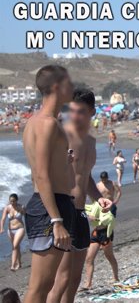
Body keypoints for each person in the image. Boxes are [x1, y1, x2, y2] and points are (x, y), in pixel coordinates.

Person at [48, 88, 113, 303]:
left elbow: (85, 177)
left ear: (92, 112)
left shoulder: (91, 142)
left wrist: (98, 198)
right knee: (62, 277)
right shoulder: (61, 136)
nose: (76, 116)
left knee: (75, 278)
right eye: (73, 110)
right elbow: (42, 174)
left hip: (81, 212)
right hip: (64, 209)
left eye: (82, 111)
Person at [21, 65, 77, 303]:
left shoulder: (38, 122)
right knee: (40, 286)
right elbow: (40, 175)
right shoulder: (47, 123)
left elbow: (48, 170)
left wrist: (65, 162)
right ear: (56, 87)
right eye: (69, 83)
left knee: (45, 285)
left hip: (53, 202)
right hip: (49, 207)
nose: (73, 87)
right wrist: (56, 221)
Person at [81, 202, 118, 289]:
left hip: (106, 233)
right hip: (96, 232)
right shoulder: (96, 204)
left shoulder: (111, 207)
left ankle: (116, 277)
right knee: (89, 258)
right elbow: (83, 208)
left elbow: (107, 219)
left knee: (109, 256)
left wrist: (95, 218)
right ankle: (88, 283)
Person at [0, 194, 25, 271]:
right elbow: (3, 219)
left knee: (15, 246)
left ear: (17, 200)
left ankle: (13, 265)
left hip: (20, 229)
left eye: (14, 201)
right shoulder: (7, 208)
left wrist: (23, 210)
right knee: (16, 247)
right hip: (10, 230)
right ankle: (19, 263)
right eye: (11, 201)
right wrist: (1, 228)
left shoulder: (21, 207)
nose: (12, 203)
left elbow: (25, 215)